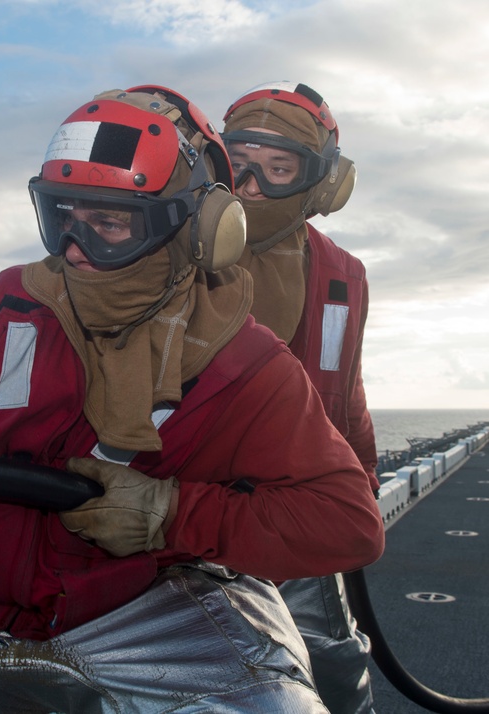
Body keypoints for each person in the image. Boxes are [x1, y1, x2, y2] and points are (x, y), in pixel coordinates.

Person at [0, 86, 385, 712]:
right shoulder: (11, 306)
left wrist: (170, 514)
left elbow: (350, 521)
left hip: (147, 607)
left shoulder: (246, 364)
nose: (74, 250)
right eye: (63, 218)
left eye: (109, 222)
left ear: (195, 229)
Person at [221, 81, 381, 714]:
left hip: (301, 503)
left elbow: (347, 391)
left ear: (322, 185)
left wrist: (360, 478)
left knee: (335, 667)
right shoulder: (170, 255)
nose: (251, 186)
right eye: (237, 165)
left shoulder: (343, 274)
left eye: (279, 168)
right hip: (195, 511)